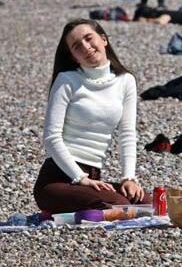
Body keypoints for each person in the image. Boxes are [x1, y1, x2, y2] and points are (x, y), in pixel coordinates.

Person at [33, 19, 151, 214]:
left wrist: (128, 178)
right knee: (123, 208)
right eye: (77, 46)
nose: (86, 47)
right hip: (58, 179)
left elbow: (127, 134)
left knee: (147, 204)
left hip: (93, 178)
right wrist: (80, 178)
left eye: (89, 38)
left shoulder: (126, 81)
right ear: (73, 56)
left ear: (104, 39)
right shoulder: (67, 80)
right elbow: (51, 137)